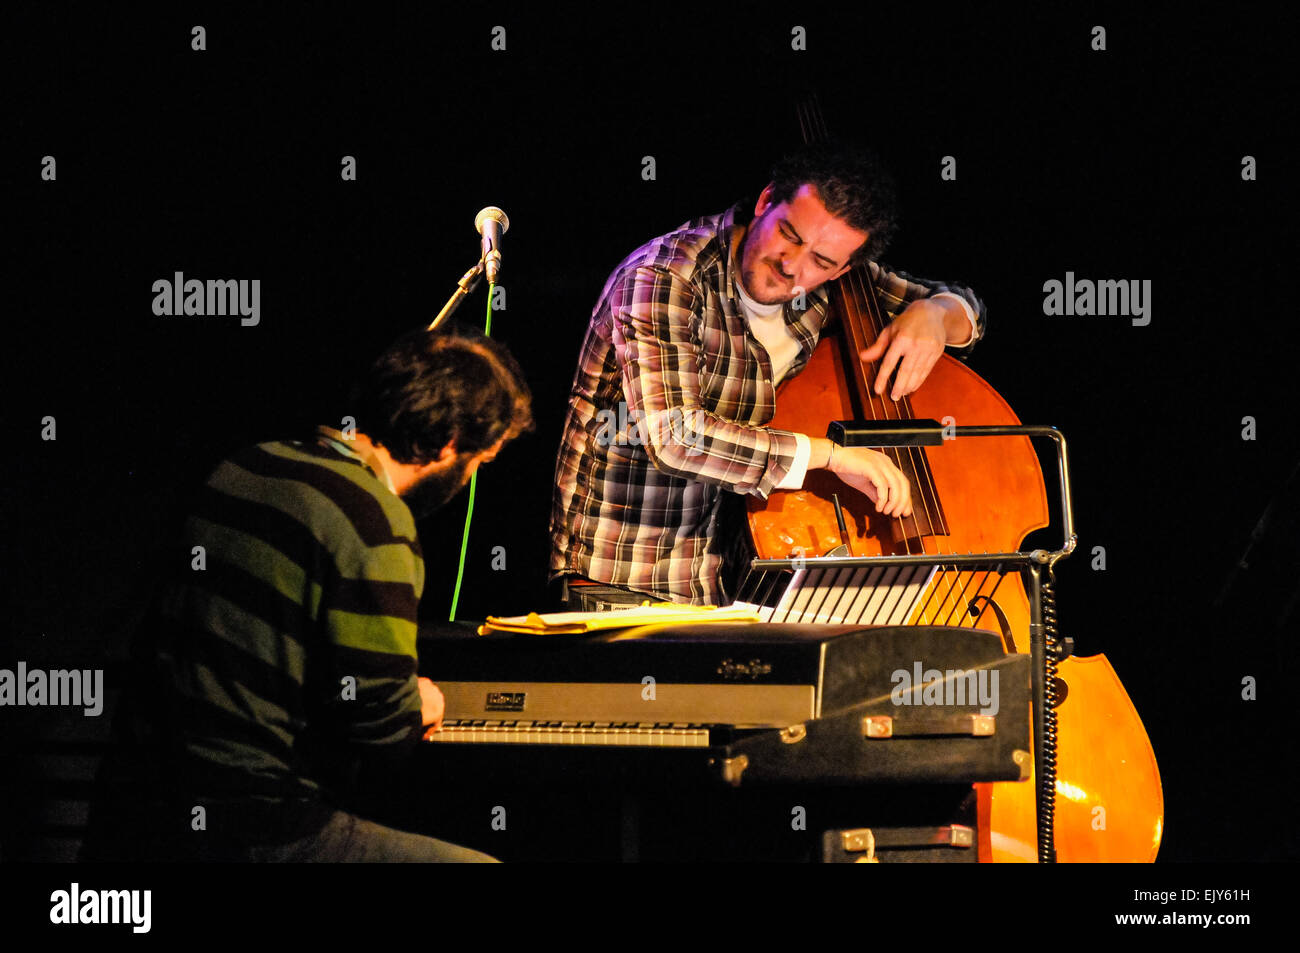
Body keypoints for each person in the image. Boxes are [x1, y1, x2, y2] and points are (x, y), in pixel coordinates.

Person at [82, 328, 533, 862]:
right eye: (480, 461)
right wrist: (421, 702)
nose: (471, 477)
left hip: (134, 810)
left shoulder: (246, 465)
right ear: (452, 444)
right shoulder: (373, 522)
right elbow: (382, 733)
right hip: (248, 826)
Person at [550, 142, 987, 607]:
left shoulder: (840, 284)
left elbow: (969, 310)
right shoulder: (664, 277)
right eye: (789, 234)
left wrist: (938, 314)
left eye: (821, 262)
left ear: (845, 268)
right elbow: (673, 435)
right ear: (764, 203)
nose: (792, 265)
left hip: (733, 583)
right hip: (625, 574)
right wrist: (834, 457)